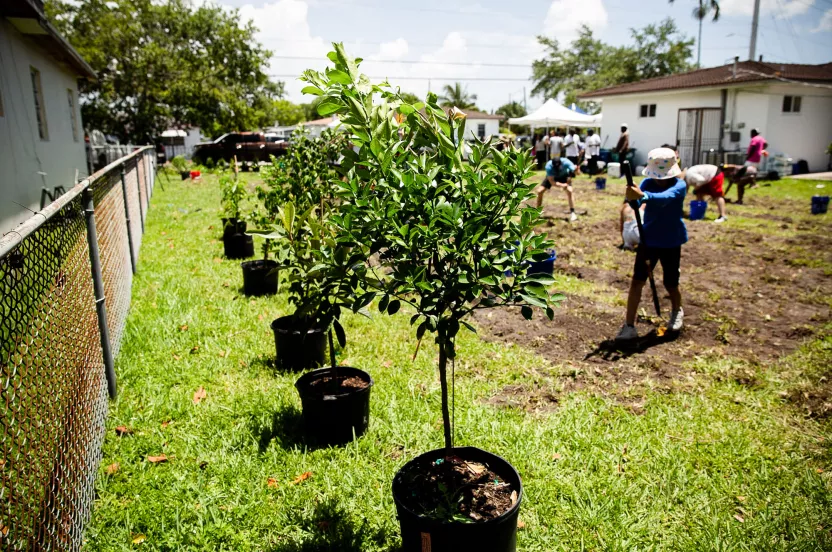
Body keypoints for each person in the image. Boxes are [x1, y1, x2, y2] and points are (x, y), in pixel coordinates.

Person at [616, 147, 687, 341]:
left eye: (662, 177)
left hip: (671, 241)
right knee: (638, 281)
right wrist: (633, 199)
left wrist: (643, 196)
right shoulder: (647, 183)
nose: (659, 180)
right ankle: (629, 325)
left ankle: (676, 311)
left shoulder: (679, 186)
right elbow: (637, 205)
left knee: (670, 282)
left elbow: (665, 199)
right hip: (649, 240)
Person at [535, 156, 579, 221]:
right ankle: (537, 213)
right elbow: (552, 182)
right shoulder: (549, 166)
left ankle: (572, 213)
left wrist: (576, 170)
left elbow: (577, 173)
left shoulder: (566, 162)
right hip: (552, 177)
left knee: (570, 191)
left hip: (564, 176)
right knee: (540, 191)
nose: (557, 168)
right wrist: (562, 185)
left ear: (561, 164)